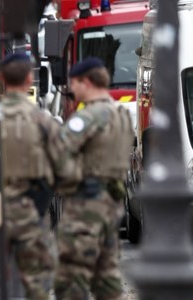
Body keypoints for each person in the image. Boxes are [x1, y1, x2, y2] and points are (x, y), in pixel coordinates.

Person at [0, 53, 63, 300]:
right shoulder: (43, 121)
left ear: (2, 79)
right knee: (35, 287)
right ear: (30, 79)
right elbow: (62, 169)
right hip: (30, 214)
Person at [53, 57, 134, 300]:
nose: (71, 90)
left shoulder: (87, 117)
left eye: (74, 83)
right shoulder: (120, 113)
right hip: (112, 203)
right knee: (106, 274)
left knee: (72, 276)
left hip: (85, 205)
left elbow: (58, 154)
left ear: (86, 82)